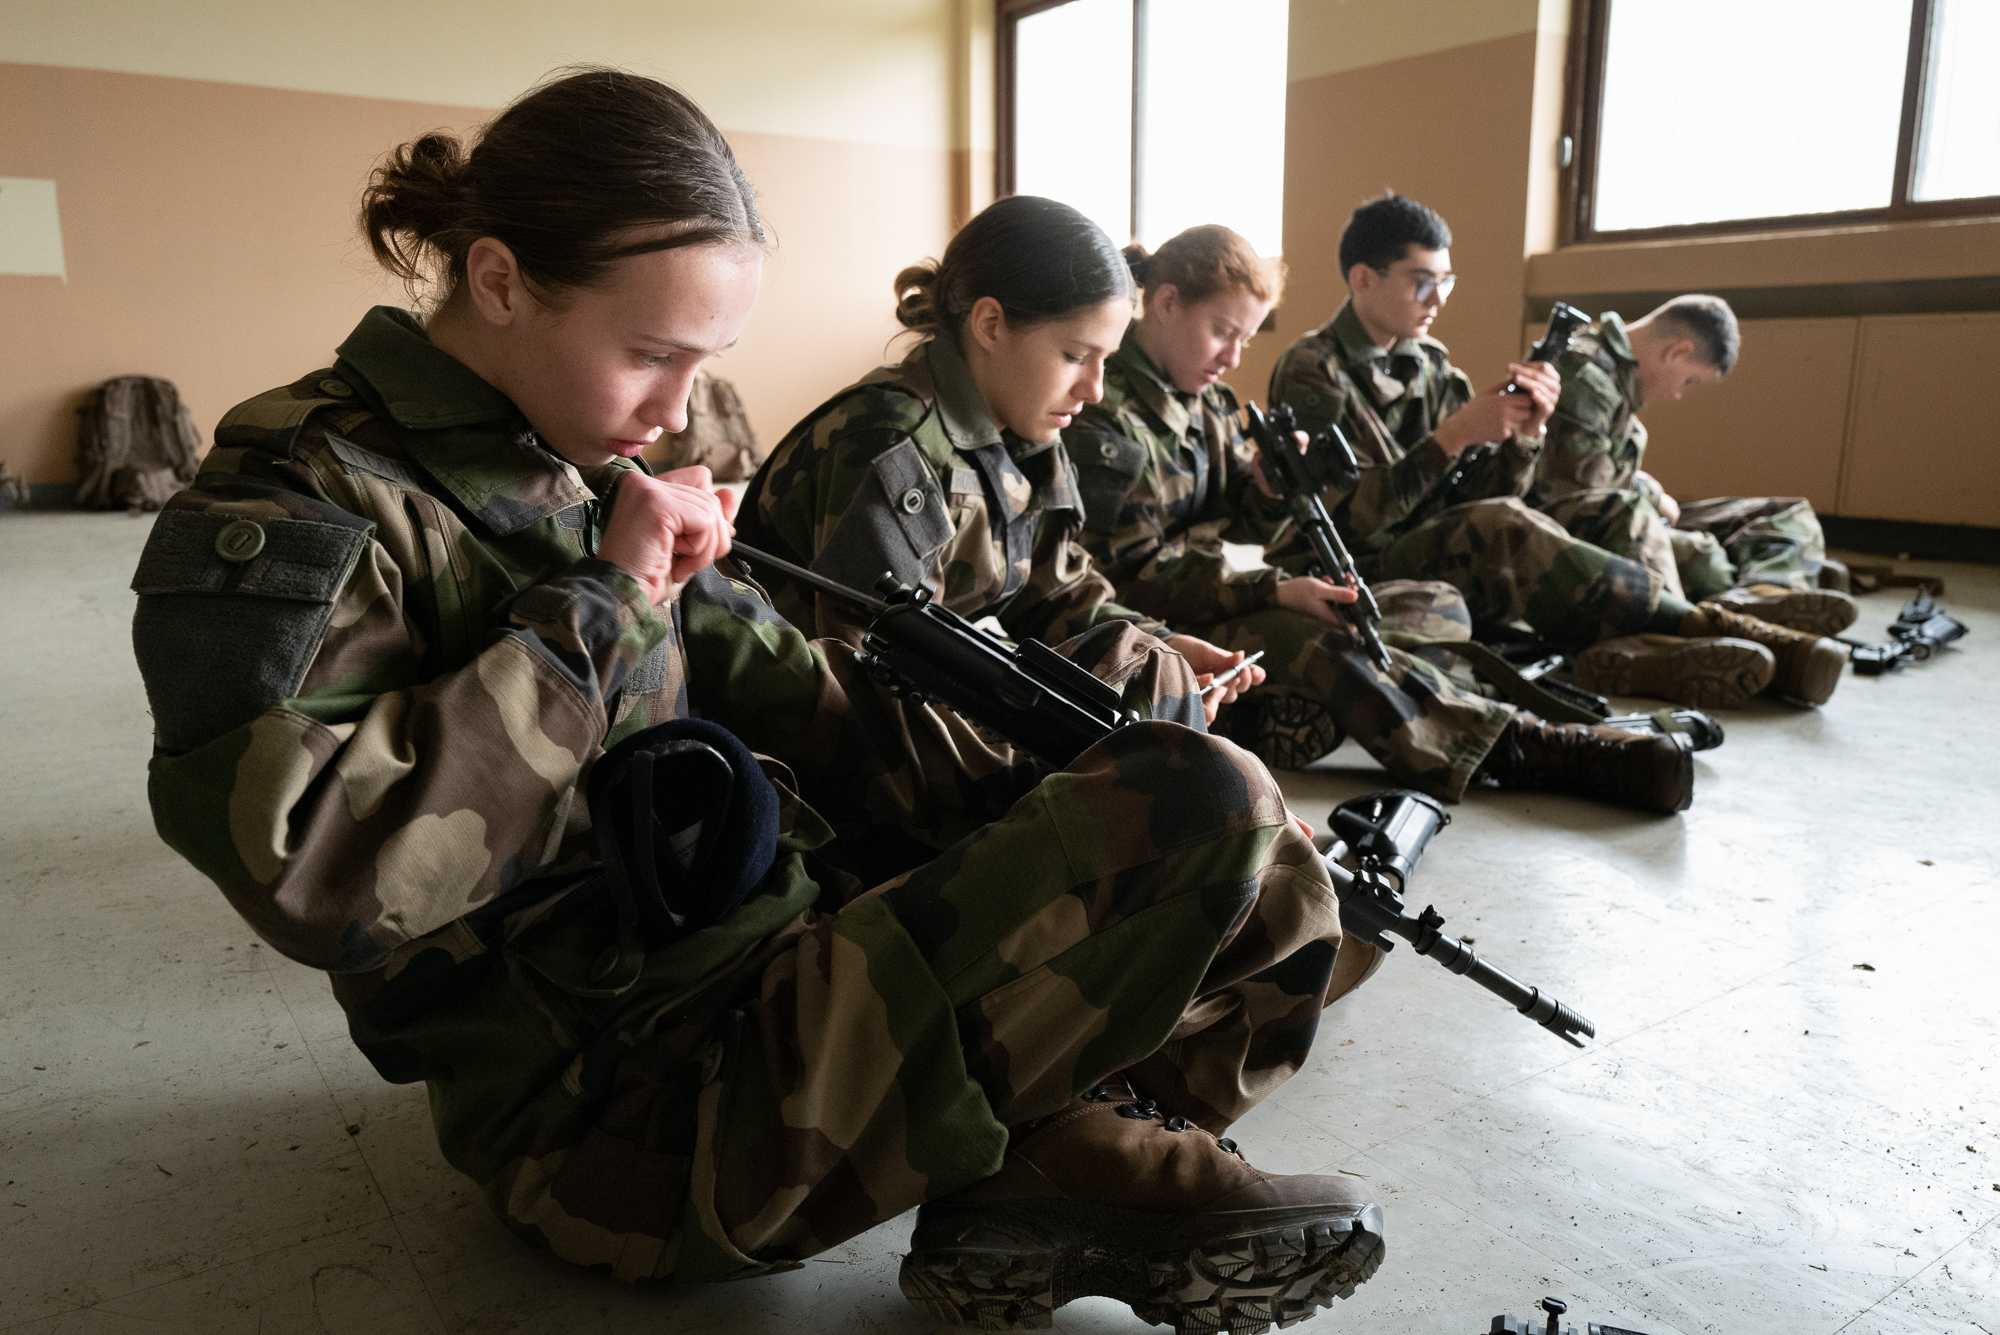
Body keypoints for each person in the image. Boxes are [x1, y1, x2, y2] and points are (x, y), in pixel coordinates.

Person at [126, 72, 1390, 1333]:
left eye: (704, 363)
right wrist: (608, 601)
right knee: (1207, 812)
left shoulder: (572, 457)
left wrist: (1071, 777)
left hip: (774, 951)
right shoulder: (296, 499)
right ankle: (1052, 1152)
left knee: (1259, 863)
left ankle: (1049, 1160)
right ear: (501, 280)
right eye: (650, 354)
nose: (681, 410)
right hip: (627, 1114)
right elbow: (319, 877)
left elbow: (817, 700)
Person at [1060, 223, 1695, 813]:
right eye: (1223, 332)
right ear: (1166, 303)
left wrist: (1271, 493)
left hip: (1224, 591)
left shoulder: (1207, 403)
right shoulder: (1107, 418)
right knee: (1324, 642)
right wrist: (1274, 588)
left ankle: (1331, 705)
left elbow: (1240, 528)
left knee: (1418, 608)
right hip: (1159, 621)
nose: (1233, 356)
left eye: (1245, 339)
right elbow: (1123, 575)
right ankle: (1533, 749)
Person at [1267, 193, 1846, 710]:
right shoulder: (1313, 370)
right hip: (1344, 567)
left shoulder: (1435, 366)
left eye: (1447, 281)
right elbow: (1342, 518)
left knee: (1507, 521)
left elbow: (1485, 497)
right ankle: (1704, 628)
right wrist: (1451, 439)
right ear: (1363, 279)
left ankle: (1667, 643)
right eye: (1422, 281)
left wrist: (1525, 436)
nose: (1437, 298)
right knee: (1505, 526)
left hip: (1431, 550)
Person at [1529, 295, 1856, 644]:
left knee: (1786, 514)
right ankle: (1723, 624)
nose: (1678, 395)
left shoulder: (1614, 375)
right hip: (1577, 529)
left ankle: (1766, 597)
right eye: (1690, 381)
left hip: (1621, 511)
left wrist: (1647, 491)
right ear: (1678, 352)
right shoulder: (1586, 374)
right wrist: (1652, 496)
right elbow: (1580, 491)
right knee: (1707, 562)